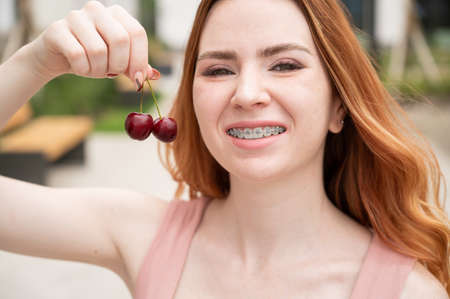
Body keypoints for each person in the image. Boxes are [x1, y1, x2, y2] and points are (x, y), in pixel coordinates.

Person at [0, 0, 448, 298]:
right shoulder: (142, 234)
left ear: (339, 107)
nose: (247, 93)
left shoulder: (407, 290)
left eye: (285, 64)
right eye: (218, 70)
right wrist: (35, 63)